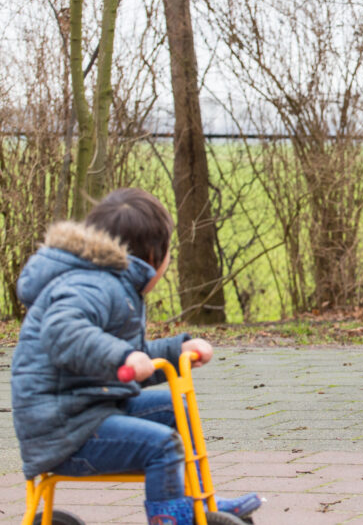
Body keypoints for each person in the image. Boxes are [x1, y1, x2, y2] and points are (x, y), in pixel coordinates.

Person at [11, 188, 262, 525]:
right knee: (161, 445)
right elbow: (63, 332)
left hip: (91, 411)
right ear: (153, 256)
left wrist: (175, 353)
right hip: (65, 432)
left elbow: (133, 361)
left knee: (178, 411)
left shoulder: (112, 285)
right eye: (168, 253)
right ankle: (173, 519)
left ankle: (201, 504)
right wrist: (123, 357)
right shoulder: (92, 286)